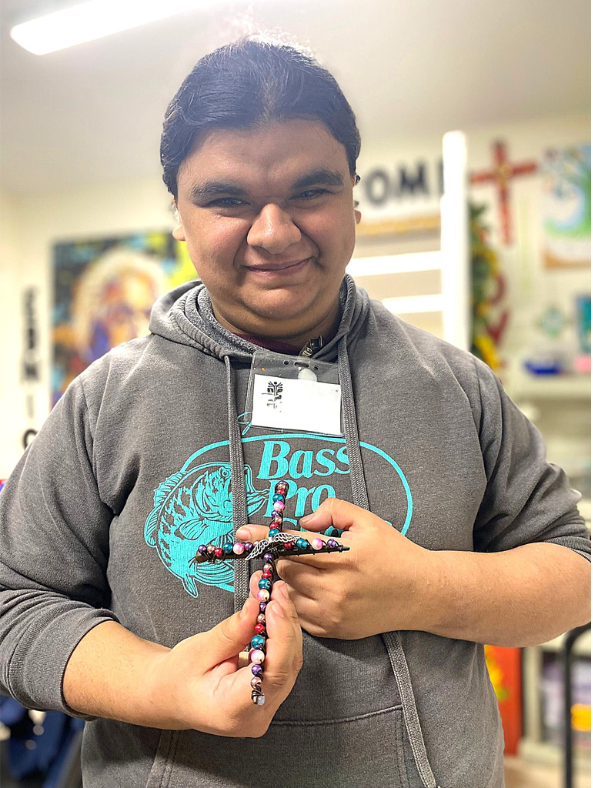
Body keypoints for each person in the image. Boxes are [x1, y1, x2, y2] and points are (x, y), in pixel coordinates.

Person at [0, 37, 590, 788]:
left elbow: (573, 572)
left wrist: (423, 588)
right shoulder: (101, 402)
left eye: (309, 191)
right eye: (226, 199)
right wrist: (165, 685)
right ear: (178, 215)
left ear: (352, 196)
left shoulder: (457, 387)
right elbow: (13, 604)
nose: (273, 232)